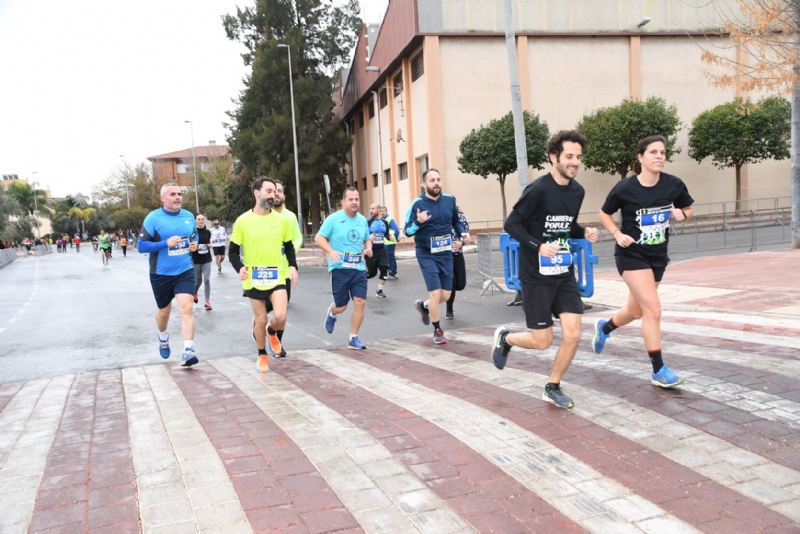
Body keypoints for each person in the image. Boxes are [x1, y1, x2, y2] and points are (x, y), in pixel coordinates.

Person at [491, 130, 598, 409]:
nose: (574, 162)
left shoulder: (578, 191)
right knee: (542, 341)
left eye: (578, 157)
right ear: (554, 157)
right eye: (569, 156)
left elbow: (566, 225)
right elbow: (512, 224)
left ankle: (552, 386)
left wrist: (583, 230)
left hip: (563, 271)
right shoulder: (538, 190)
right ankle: (506, 338)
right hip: (536, 275)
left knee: (574, 333)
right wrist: (538, 246)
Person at [592, 135, 694, 388]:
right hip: (631, 254)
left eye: (662, 152)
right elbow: (604, 213)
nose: (659, 156)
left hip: (658, 256)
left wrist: (683, 215)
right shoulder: (625, 188)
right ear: (640, 158)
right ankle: (658, 370)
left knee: (636, 311)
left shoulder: (673, 184)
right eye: (653, 152)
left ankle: (605, 328)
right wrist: (617, 233)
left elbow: (689, 210)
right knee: (653, 310)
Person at [229, 177, 298, 371]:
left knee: (281, 315)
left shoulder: (281, 220)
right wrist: (239, 267)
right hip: (254, 277)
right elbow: (233, 251)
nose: (273, 195)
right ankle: (262, 354)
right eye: (268, 191)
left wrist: (293, 266)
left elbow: (289, 247)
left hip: (277, 275)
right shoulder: (243, 221)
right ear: (256, 193)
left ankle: (272, 332)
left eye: (275, 192)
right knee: (259, 319)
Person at [137, 182, 200, 367]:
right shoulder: (153, 218)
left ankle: (188, 350)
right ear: (163, 198)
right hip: (161, 273)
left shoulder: (188, 216)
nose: (178, 197)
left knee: (186, 309)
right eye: (173, 194)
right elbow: (142, 246)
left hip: (185, 270)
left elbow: (194, 236)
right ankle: (163, 336)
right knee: (164, 312)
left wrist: (194, 244)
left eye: (180, 193)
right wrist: (165, 243)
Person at [404, 169, 469, 344]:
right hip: (426, 254)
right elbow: (407, 231)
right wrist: (419, 222)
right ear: (424, 184)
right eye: (432, 180)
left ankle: (423, 307)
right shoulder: (417, 204)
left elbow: (455, 221)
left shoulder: (449, 200)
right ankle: (437, 330)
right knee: (434, 293)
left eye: (438, 179)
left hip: (445, 253)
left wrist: (462, 233)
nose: (436, 183)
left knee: (446, 295)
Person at [315, 187, 372, 350]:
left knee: (360, 302)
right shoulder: (333, 219)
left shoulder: (362, 220)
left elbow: (367, 239)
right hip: (340, 267)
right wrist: (331, 251)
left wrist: (368, 248)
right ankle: (332, 313)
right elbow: (319, 237)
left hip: (359, 268)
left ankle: (353, 338)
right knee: (342, 306)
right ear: (343, 201)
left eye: (357, 199)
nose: (355, 202)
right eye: (351, 199)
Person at [273, 181, 304, 301]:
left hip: (285, 268)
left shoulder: (290, 216)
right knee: (268, 306)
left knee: (283, 303)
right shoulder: (262, 215)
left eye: (279, 191)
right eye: (273, 191)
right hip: (266, 268)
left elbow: (297, 236)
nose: (276, 194)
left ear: (284, 196)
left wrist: (293, 248)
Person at [445, 206, 469, 320]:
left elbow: (467, 235)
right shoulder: (441, 217)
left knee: (461, 284)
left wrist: (462, 242)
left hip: (458, 254)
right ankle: (449, 310)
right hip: (445, 256)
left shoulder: (460, 217)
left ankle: (440, 294)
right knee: (452, 283)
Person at [366, 203, 391, 298]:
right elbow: (361, 236)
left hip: (382, 249)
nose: (371, 210)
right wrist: (369, 237)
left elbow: (387, 234)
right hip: (371, 251)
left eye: (373, 208)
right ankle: (359, 280)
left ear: (379, 210)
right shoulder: (367, 222)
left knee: (384, 270)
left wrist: (392, 236)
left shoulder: (384, 222)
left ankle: (379, 290)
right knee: (372, 273)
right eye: (370, 208)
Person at [192, 214, 213, 311]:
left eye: (202, 219)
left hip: (206, 259)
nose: (200, 221)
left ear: (204, 221)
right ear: (195, 220)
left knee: (207, 280)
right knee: (198, 281)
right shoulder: (192, 233)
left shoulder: (208, 232)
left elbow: (208, 242)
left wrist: (209, 245)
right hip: (196, 259)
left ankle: (207, 301)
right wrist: (197, 246)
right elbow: (190, 246)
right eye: (198, 219)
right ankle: (195, 292)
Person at [380, 206, 401, 280]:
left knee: (390, 257)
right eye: (381, 210)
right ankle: (392, 272)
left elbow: (396, 230)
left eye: (384, 210)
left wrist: (396, 237)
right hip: (384, 242)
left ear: (386, 211)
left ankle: (392, 273)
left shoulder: (389, 219)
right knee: (388, 257)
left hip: (390, 242)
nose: (382, 212)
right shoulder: (381, 220)